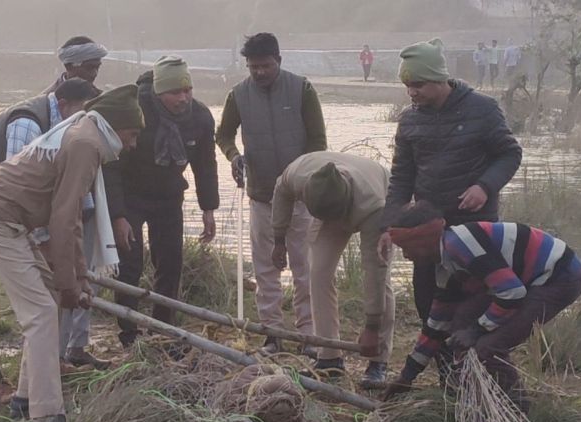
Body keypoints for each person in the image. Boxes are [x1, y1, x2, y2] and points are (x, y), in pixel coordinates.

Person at [0, 85, 144, 422]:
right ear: (118, 126)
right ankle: (47, 418)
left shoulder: (87, 133)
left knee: (49, 303)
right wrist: (69, 285)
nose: (133, 144)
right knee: (42, 312)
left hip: (12, 219)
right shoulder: (86, 144)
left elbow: (71, 216)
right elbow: (63, 219)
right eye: (133, 135)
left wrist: (78, 277)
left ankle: (24, 398)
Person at [0, 78, 97, 408]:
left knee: (45, 291)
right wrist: (45, 244)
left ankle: (43, 366)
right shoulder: (29, 122)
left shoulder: (68, 132)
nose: (85, 123)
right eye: (82, 113)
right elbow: (18, 191)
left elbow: (67, 203)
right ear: (64, 105)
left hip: (2, 208)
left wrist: (70, 263)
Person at [381, 201, 581, 412]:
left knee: (489, 347)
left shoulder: (460, 246)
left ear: (423, 241)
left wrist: (477, 330)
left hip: (559, 277)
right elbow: (437, 325)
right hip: (523, 280)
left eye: (406, 248)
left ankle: (517, 411)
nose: (406, 256)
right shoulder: (445, 263)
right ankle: (475, 398)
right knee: (461, 319)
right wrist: (407, 375)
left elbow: (513, 293)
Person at [379, 38, 522, 325]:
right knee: (427, 304)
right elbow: (401, 178)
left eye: (418, 85)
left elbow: (509, 153)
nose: (411, 92)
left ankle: (474, 353)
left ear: (439, 79)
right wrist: (388, 227)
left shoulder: (483, 109)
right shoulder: (409, 120)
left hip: (475, 225)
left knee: (473, 305)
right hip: (427, 230)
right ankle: (439, 354)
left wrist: (485, 186)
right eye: (407, 85)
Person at [216, 32, 328, 356]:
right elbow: (223, 134)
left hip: (301, 198)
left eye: (265, 65)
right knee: (265, 269)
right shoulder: (238, 94)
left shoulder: (302, 89)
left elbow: (318, 141)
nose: (260, 72)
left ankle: (309, 337)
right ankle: (272, 335)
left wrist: (304, 176)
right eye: (253, 67)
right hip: (261, 195)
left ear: (278, 60)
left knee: (305, 268)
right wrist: (233, 156)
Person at [105, 56, 220, 347]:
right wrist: (117, 215)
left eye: (188, 90)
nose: (183, 99)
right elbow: (111, 166)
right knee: (130, 264)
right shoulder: (135, 112)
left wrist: (208, 208)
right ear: (158, 92)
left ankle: (163, 328)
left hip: (169, 196)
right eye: (175, 92)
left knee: (170, 263)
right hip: (131, 195)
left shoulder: (200, 117)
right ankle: (129, 332)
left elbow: (205, 165)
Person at [271, 152, 394, 388]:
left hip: (375, 200)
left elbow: (374, 271)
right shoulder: (298, 176)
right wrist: (279, 239)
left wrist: (372, 326)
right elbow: (281, 191)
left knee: (381, 278)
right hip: (333, 203)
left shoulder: (373, 204)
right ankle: (329, 358)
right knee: (318, 272)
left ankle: (378, 361)